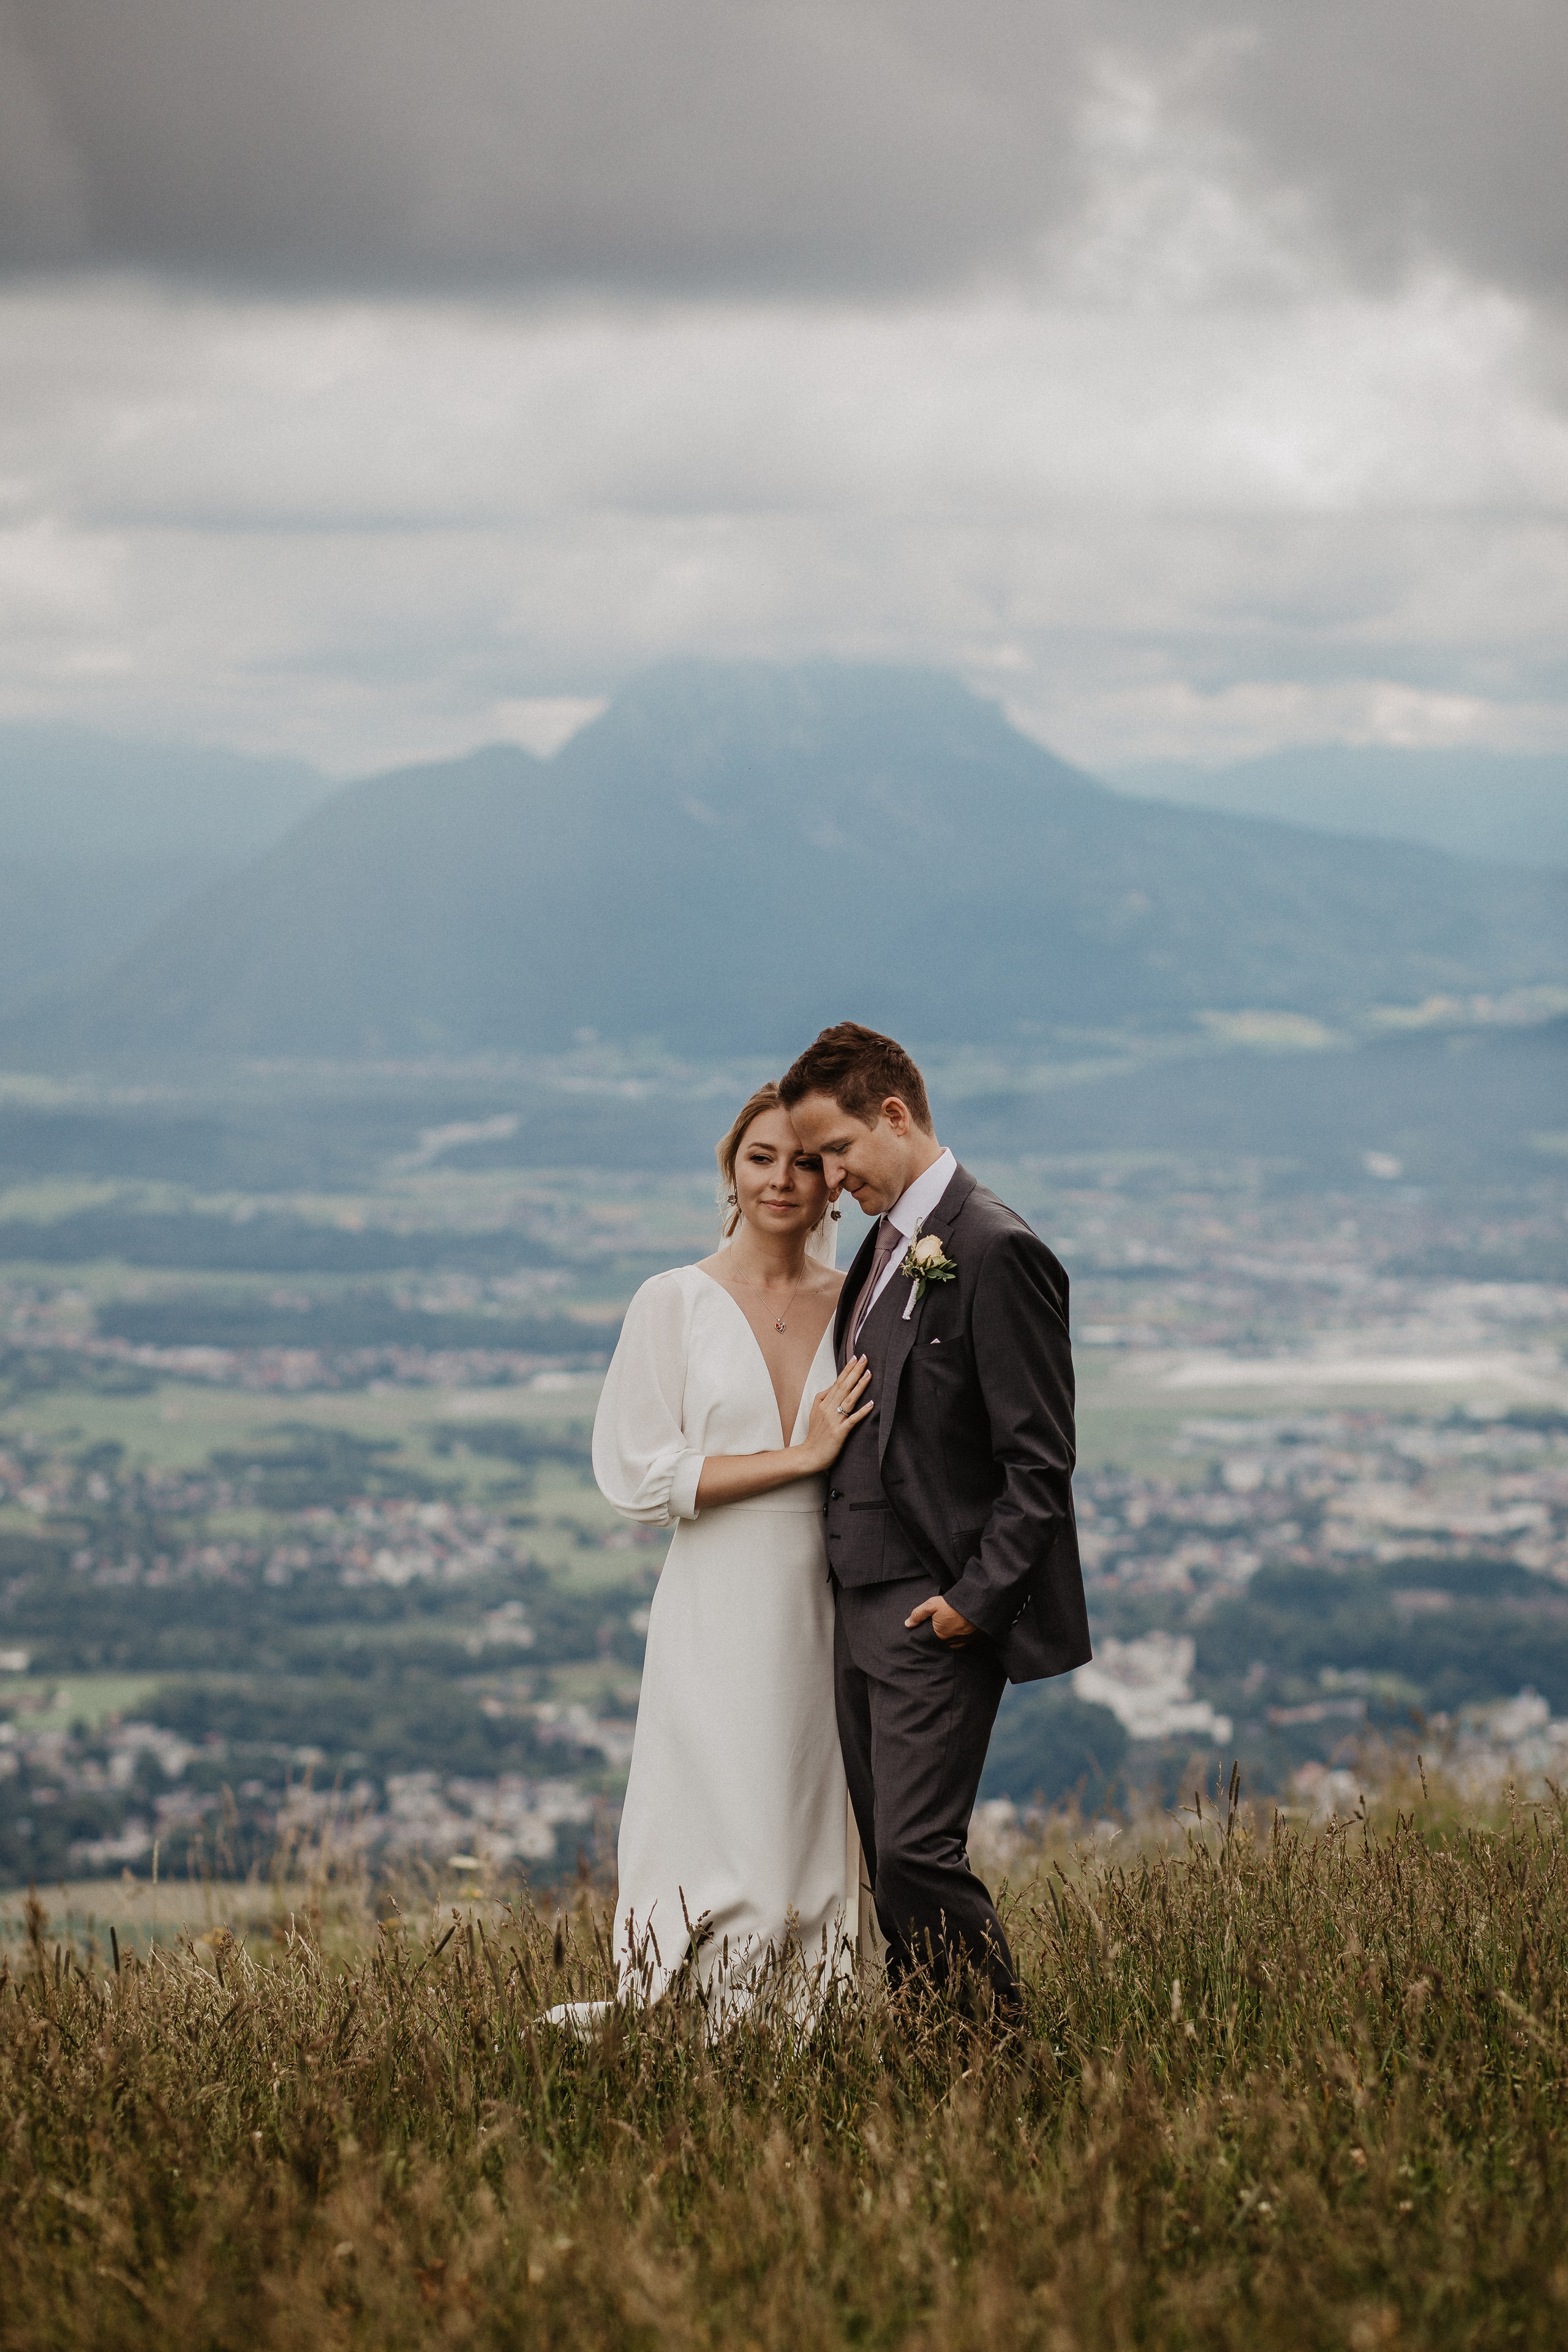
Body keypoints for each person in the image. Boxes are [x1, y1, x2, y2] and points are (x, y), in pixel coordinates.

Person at [782, 1022, 1091, 2007]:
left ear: (895, 1114)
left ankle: (1003, 2064)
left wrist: (975, 1601)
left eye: (839, 1151)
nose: (831, 1179)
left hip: (936, 1609)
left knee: (919, 1852)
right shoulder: (884, 1247)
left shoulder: (996, 1247)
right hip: (858, 1604)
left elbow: (1039, 1460)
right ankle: (937, 2053)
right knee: (889, 1859)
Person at [581, 1081, 876, 2018]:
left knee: (814, 1807)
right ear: (729, 1168)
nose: (781, 1180)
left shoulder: (863, 1301)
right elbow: (642, 1475)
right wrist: (802, 1456)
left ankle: (813, 2021)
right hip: (718, 1597)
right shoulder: (672, 1303)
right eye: (760, 1158)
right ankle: (694, 2010)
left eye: (804, 1161)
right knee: (719, 1803)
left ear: (836, 1181)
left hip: (833, 1602)